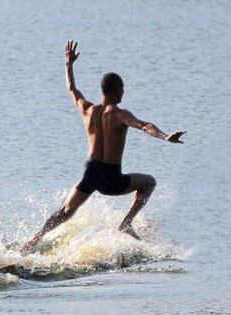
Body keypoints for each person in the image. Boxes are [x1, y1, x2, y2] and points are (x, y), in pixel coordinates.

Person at [21, 41, 186, 254]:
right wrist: (165, 137)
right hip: (111, 178)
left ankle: (34, 239)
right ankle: (126, 223)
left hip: (89, 172)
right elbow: (145, 126)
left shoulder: (88, 109)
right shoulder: (120, 114)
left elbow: (71, 88)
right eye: (123, 89)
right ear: (118, 90)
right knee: (149, 183)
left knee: (65, 211)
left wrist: (69, 65)